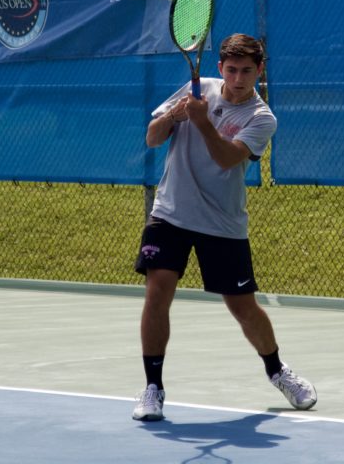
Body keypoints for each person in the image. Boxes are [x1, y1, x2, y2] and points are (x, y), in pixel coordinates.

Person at [132, 33, 317, 421]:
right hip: (170, 213)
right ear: (220, 68)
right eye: (231, 70)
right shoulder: (198, 90)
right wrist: (173, 116)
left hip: (222, 222)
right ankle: (153, 387)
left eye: (246, 71)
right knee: (157, 291)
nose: (237, 79)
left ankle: (277, 370)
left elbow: (226, 159)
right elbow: (152, 139)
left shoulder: (262, 118)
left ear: (259, 71)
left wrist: (200, 123)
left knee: (243, 307)